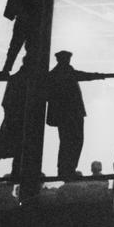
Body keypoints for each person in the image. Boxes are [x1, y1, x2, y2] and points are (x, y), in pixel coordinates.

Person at [45, 50, 105, 180]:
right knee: (75, 142)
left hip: (64, 116)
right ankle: (68, 169)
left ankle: (64, 169)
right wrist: (98, 76)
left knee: (66, 142)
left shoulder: (54, 74)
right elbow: (83, 75)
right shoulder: (66, 72)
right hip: (73, 114)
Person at [0, 66, 28, 180]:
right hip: (19, 120)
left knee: (18, 149)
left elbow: (6, 102)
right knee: (22, 148)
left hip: (13, 120)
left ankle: (16, 172)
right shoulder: (27, 80)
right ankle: (19, 172)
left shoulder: (14, 80)